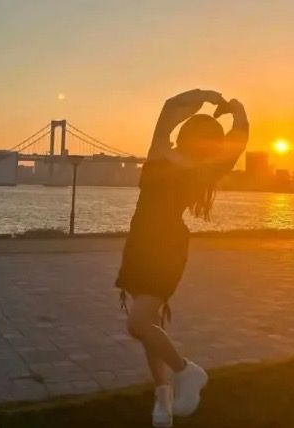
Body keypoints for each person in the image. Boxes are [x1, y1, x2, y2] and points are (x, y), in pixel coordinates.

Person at [115, 89, 249, 427]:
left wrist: (211, 98)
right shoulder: (182, 160)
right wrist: (231, 107)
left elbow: (172, 108)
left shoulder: (174, 159)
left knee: (138, 324)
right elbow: (238, 135)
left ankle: (187, 371)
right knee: (149, 325)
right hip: (140, 245)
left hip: (164, 248)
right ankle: (163, 397)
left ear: (187, 134)